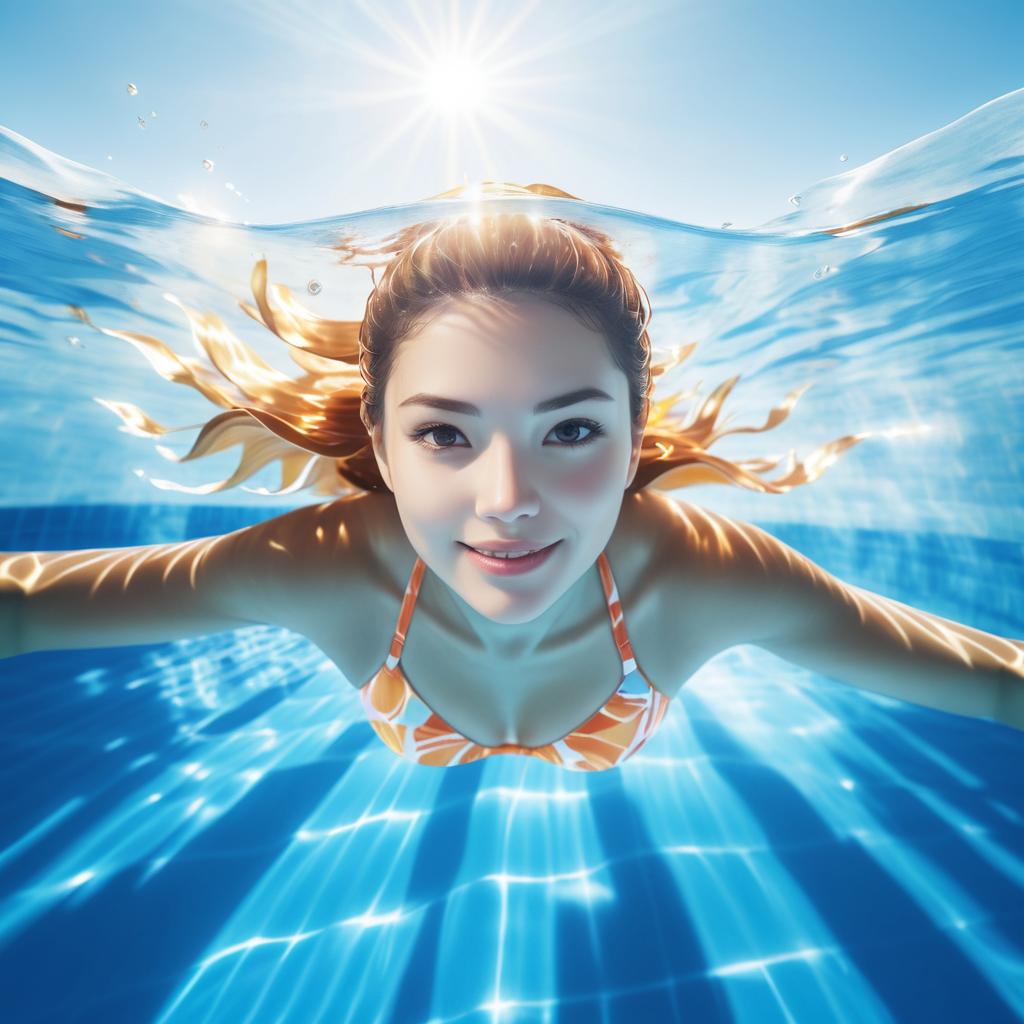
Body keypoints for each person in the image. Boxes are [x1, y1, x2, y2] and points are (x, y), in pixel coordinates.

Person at [2, 191, 1021, 771]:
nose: (506, 498)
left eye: (569, 428)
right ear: (381, 443)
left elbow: (989, 679)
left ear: (632, 439)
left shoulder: (695, 578)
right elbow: (29, 608)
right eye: (445, 435)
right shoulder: (332, 567)